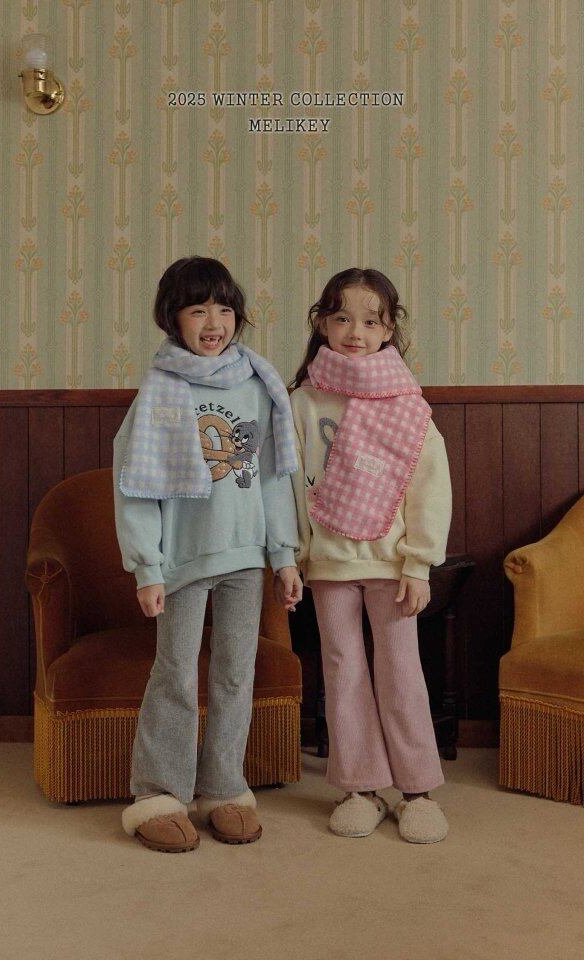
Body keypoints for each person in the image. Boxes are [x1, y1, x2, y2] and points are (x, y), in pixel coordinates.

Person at [113, 256, 302, 853]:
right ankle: (159, 792)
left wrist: (284, 555)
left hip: (246, 557)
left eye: (224, 309)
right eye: (198, 310)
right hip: (183, 561)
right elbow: (136, 485)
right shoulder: (159, 390)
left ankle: (223, 787)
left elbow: (273, 476)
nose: (214, 322)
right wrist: (147, 567)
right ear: (173, 318)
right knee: (175, 672)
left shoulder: (257, 384)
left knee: (235, 673)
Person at [283, 267, 452, 843]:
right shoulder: (303, 402)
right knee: (343, 670)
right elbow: (288, 485)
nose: (355, 332)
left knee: (401, 670)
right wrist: (294, 557)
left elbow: (429, 488)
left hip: (392, 564)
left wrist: (419, 563)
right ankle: (360, 787)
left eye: (370, 321)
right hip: (329, 563)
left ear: (388, 330)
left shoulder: (407, 402)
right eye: (342, 318)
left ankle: (417, 790)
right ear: (322, 324)